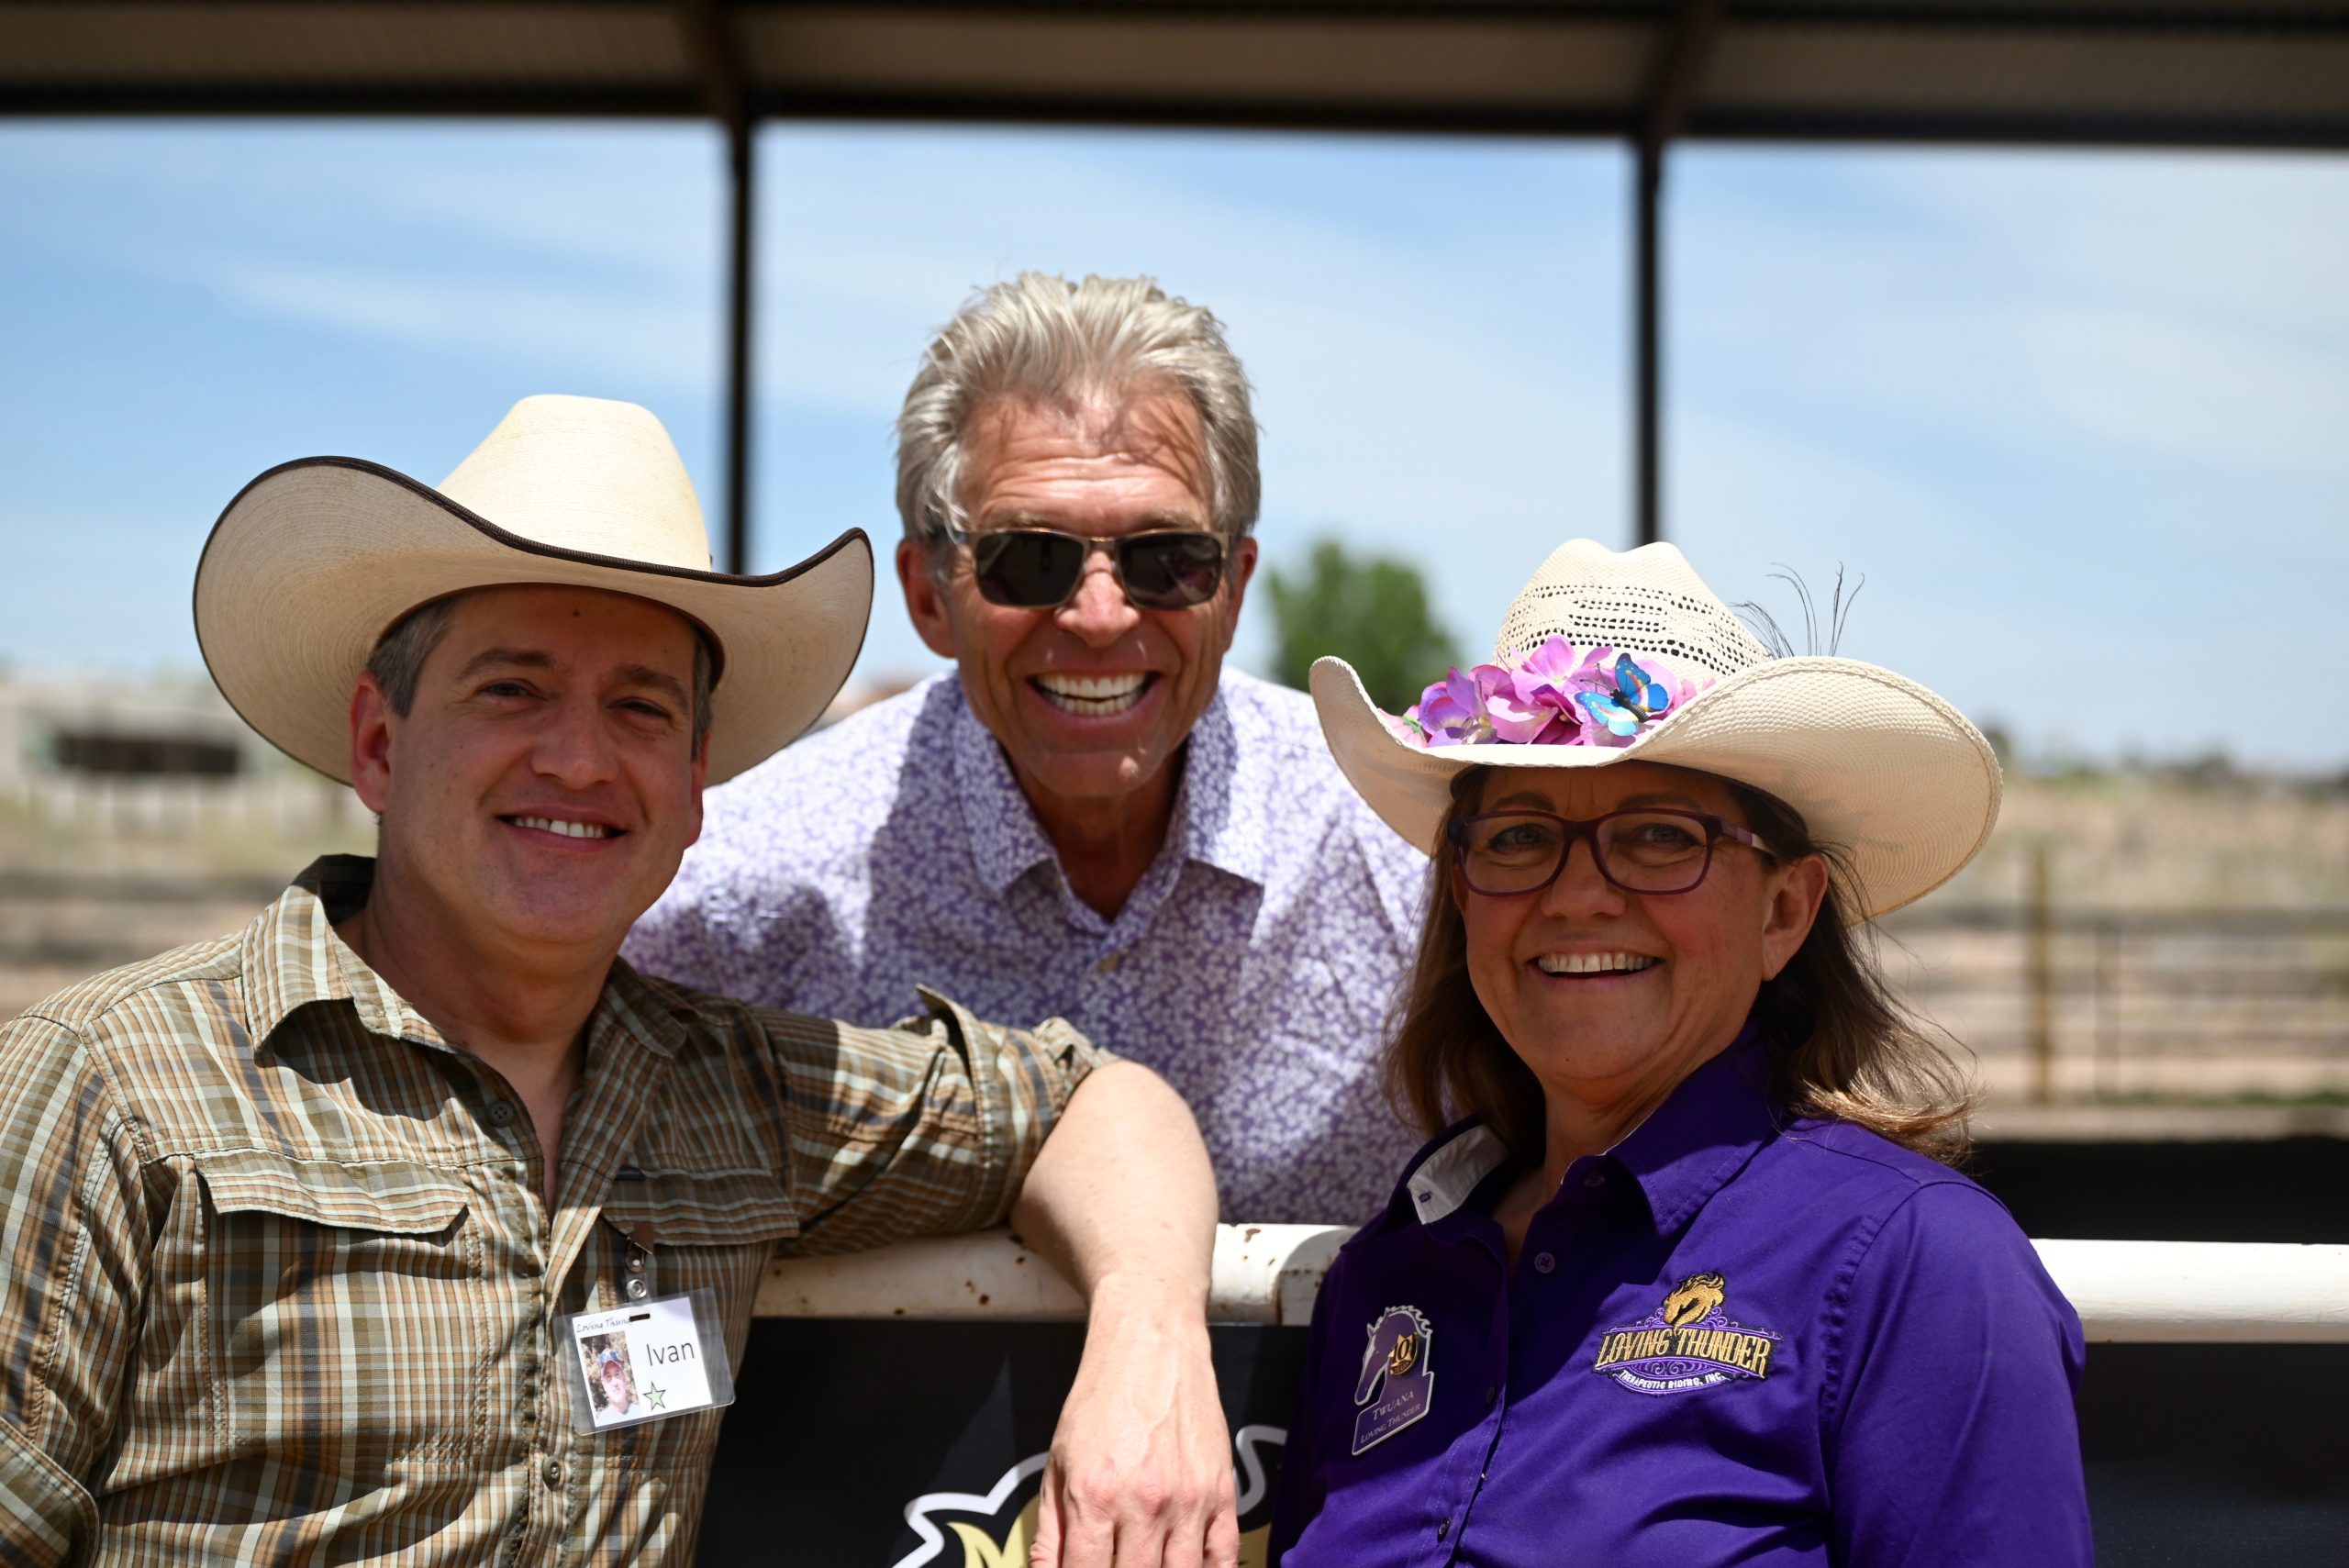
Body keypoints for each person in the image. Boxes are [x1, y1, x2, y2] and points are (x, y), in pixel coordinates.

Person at [0, 395, 1237, 1567]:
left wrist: (1151, 1339)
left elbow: (1090, 1101)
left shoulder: (740, 1096)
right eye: (512, 689)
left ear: (694, 784)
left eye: (641, 707)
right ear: (379, 742)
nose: (580, 758)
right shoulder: (112, 1088)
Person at [1268, 539, 2092, 1565]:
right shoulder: (1389, 1273)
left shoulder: (1916, 1265)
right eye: (1519, 836)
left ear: (1784, 911)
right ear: (1462, 896)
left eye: (1660, 835)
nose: (1577, 895)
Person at [627, 272, 1426, 1222]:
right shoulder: (732, 893)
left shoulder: (1412, 860)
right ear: (926, 595)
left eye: (1166, 558)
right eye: (1030, 558)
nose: (1099, 615)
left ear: (1234, 587)